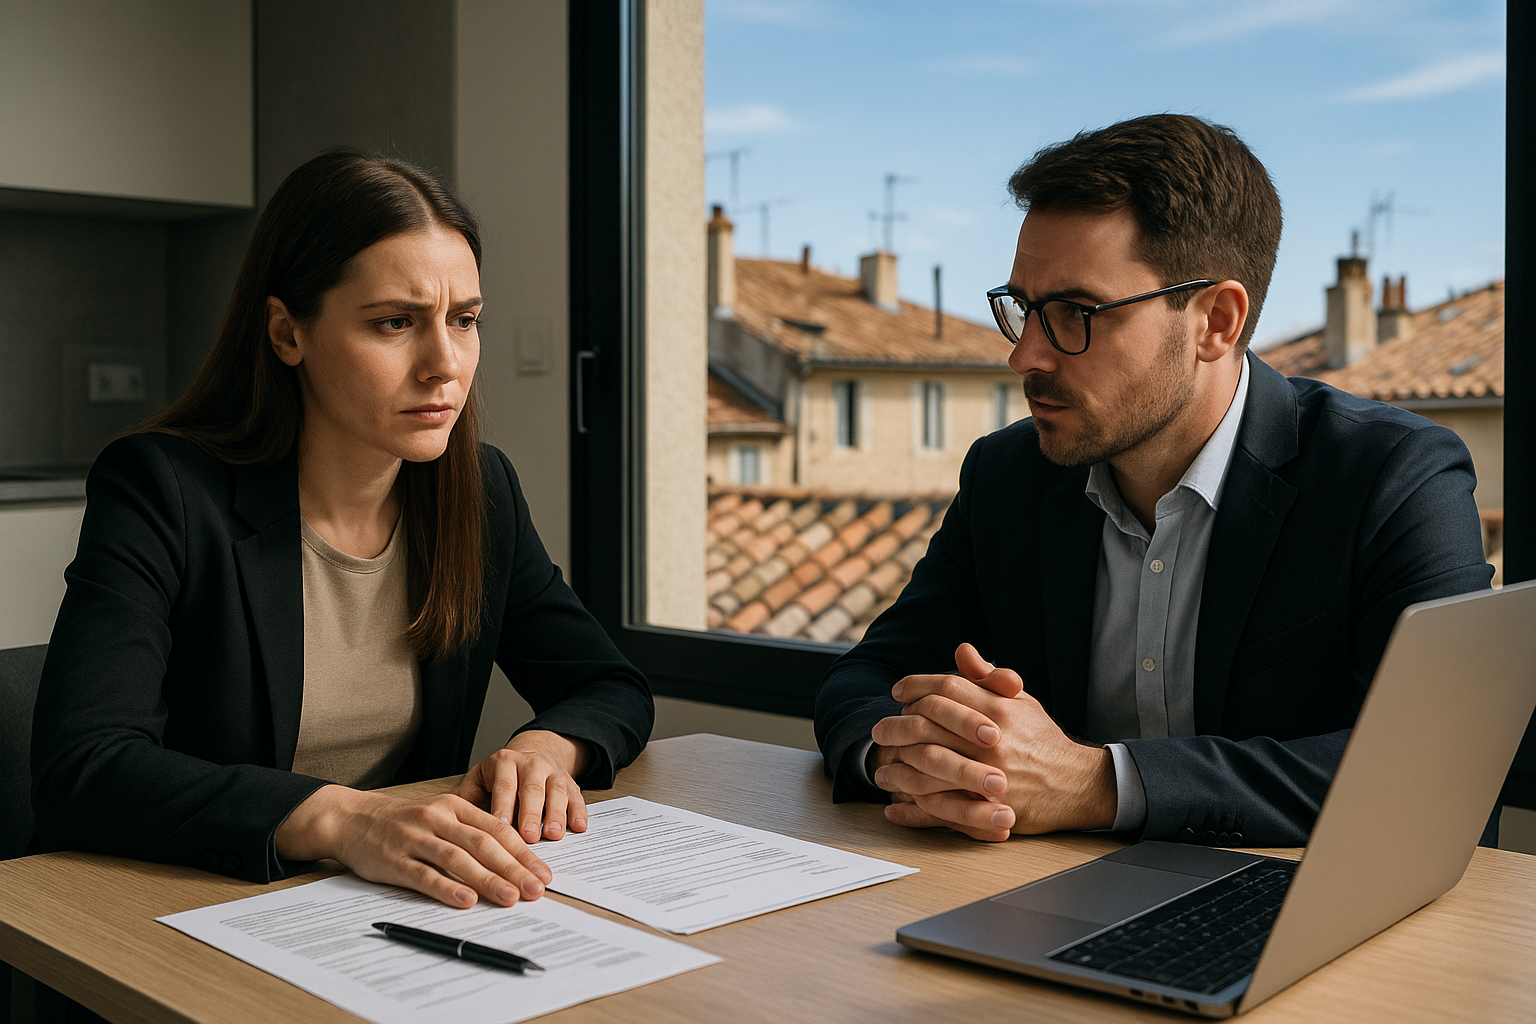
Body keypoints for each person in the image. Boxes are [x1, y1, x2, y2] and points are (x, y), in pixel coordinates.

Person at [813, 114, 1492, 848]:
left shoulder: (1393, 477)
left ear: (1216, 322)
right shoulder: (1007, 477)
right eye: (1024, 309)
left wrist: (1094, 783)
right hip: (1047, 889)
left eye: (1075, 312)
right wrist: (910, 759)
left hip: (1303, 901)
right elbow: (867, 678)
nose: (1026, 356)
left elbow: (1436, 768)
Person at [30, 151, 653, 910]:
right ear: (287, 332)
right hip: (196, 901)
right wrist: (343, 820)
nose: (445, 364)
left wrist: (546, 749)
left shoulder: (479, 489)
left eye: (464, 320)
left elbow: (607, 684)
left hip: (399, 907)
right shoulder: (163, 488)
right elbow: (85, 767)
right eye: (395, 323)